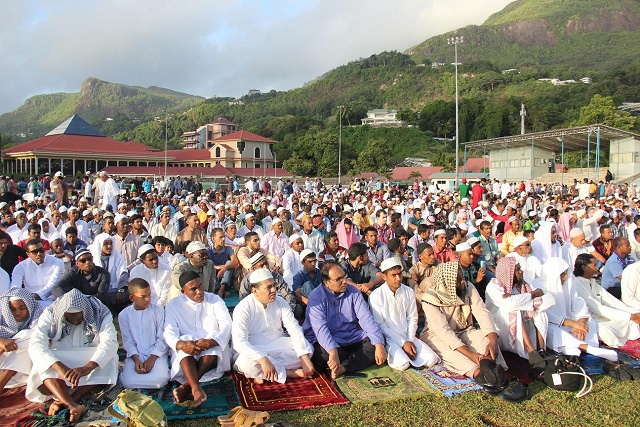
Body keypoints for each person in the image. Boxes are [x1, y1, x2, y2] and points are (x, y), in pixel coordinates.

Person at [26, 289, 118, 422]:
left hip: (88, 357)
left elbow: (110, 342)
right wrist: (60, 368)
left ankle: (67, 401)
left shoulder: (99, 311)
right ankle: (72, 405)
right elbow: (36, 344)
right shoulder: (51, 312)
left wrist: (87, 368)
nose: (75, 320)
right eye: (70, 317)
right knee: (42, 363)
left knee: (110, 359)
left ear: (85, 312)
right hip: (61, 359)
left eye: (78, 316)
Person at [420, 261, 507, 380]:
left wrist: (492, 340)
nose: (462, 282)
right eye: (458, 280)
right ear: (447, 283)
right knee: (455, 356)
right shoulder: (430, 298)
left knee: (485, 340)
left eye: (462, 277)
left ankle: (491, 370)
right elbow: (444, 332)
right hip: (437, 336)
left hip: (465, 330)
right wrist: (470, 354)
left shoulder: (468, 287)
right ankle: (480, 375)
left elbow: (482, 312)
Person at [303, 263, 386, 379]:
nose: (344, 281)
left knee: (378, 342)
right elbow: (320, 328)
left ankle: (343, 367)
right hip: (330, 340)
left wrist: (379, 344)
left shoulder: (354, 292)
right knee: (322, 354)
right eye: (338, 279)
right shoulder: (316, 296)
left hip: (353, 336)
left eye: (344, 277)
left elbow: (366, 318)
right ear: (326, 282)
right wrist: (332, 351)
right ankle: (352, 360)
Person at [232, 268, 315, 384]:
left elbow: (294, 328)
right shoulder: (243, 308)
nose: (274, 290)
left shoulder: (280, 302)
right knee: (246, 363)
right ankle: (290, 373)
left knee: (308, 349)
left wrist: (305, 359)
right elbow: (239, 342)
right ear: (255, 291)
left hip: (277, 345)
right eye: (268, 287)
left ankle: (267, 373)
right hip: (254, 349)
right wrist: (262, 359)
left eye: (274, 286)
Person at [164, 271, 232, 406]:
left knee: (214, 340)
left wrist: (211, 341)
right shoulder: (174, 305)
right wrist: (182, 345)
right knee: (184, 341)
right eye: (193, 289)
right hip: (188, 352)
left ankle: (188, 387)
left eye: (200, 286)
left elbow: (227, 324)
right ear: (183, 291)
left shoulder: (214, 300)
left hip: (211, 350)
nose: (199, 291)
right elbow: (168, 331)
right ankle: (195, 387)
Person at [533, 257, 618, 361]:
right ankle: (588, 348)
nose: (565, 277)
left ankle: (574, 347)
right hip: (556, 324)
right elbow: (544, 314)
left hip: (573, 323)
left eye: (565, 273)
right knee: (550, 329)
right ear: (553, 274)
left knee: (589, 321)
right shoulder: (537, 286)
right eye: (562, 274)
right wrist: (573, 324)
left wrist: (580, 323)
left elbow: (580, 304)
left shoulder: (568, 284)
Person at [369, 258, 439, 371]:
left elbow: (413, 317)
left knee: (432, 360)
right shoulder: (376, 296)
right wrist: (402, 343)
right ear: (384, 277)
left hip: (408, 335)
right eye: (394, 275)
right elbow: (380, 325)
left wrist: (410, 340)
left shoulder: (408, 291)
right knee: (403, 365)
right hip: (389, 339)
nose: (398, 278)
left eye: (400, 274)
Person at [485, 257, 554, 360]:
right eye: (517, 270)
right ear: (508, 273)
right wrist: (533, 295)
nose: (521, 272)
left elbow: (550, 300)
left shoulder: (522, 285)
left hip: (522, 327)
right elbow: (511, 304)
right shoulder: (493, 287)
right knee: (514, 310)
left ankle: (541, 350)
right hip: (501, 329)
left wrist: (526, 301)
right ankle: (532, 353)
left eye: (520, 269)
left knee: (540, 312)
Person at [573, 254, 640, 348]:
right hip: (589, 319)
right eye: (594, 265)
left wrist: (632, 313)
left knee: (631, 321)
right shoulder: (576, 284)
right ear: (584, 267)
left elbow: (612, 301)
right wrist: (629, 316)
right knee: (604, 330)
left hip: (604, 315)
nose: (597, 268)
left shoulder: (592, 282)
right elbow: (597, 308)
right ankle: (619, 348)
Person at [118, 278, 170, 389]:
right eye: (143, 297)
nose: (148, 299)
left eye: (149, 295)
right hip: (136, 354)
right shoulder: (124, 315)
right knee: (128, 382)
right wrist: (136, 360)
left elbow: (162, 338)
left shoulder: (158, 311)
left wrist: (152, 358)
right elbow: (128, 341)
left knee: (161, 380)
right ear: (132, 297)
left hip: (156, 353)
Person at [0, 288, 43, 392]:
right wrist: (1, 341)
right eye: (12, 309)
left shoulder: (38, 316)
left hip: (21, 372)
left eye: (22, 308)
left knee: (29, 336)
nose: (17, 312)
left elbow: (40, 336)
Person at [11, 239, 65, 309]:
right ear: (28, 254)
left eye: (41, 250)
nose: (39, 254)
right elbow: (15, 288)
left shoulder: (57, 263)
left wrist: (36, 295)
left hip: (53, 301)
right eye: (35, 252)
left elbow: (53, 285)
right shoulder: (20, 267)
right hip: (30, 303)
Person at [88, 234, 129, 313]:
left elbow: (123, 272)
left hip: (114, 290)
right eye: (106, 244)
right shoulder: (91, 257)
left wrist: (121, 290)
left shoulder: (117, 256)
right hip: (97, 291)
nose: (109, 246)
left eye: (111, 243)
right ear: (100, 244)